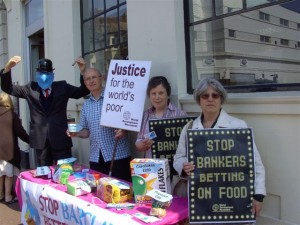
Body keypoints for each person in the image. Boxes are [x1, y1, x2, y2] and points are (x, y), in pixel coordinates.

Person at [173, 77, 266, 219]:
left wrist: (258, 196)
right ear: (199, 100)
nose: (210, 99)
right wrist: (184, 167)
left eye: (215, 95)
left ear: (221, 99)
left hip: (235, 199)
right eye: (205, 96)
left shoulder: (238, 126)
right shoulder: (189, 128)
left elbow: (255, 163)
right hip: (201, 200)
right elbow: (178, 157)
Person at [0, 56, 90, 166]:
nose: (44, 77)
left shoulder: (62, 87)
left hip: (61, 139)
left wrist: (83, 71)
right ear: (37, 73)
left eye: (47, 73)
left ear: (52, 73)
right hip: (40, 142)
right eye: (41, 73)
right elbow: (8, 88)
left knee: (64, 173)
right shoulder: (30, 89)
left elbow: (82, 91)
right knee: (44, 176)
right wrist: (7, 69)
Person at [67, 67, 132, 182]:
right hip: (96, 158)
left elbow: (128, 120)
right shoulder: (86, 105)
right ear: (85, 83)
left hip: (117, 155)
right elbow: (86, 131)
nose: (91, 81)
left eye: (94, 77)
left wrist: (124, 130)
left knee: (123, 193)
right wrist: (76, 132)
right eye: (87, 79)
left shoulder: (114, 97)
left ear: (101, 79)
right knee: (100, 193)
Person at [135, 76, 187, 158]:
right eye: (153, 93)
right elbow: (138, 144)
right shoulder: (145, 116)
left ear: (168, 94)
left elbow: (186, 144)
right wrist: (142, 145)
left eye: (161, 93)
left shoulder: (180, 115)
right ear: (149, 96)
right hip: (151, 166)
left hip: (173, 166)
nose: (157, 97)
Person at [0, 92, 29, 204]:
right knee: (8, 174)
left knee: (0, 174)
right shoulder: (12, 115)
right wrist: (30, 140)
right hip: (8, 151)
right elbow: (20, 132)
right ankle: (8, 196)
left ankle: (1, 194)